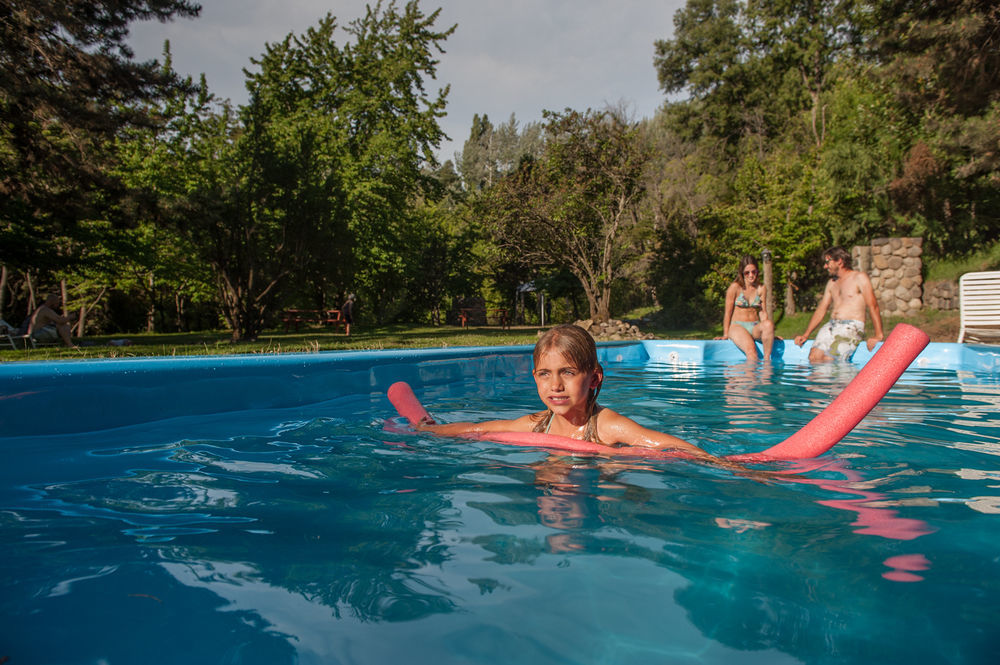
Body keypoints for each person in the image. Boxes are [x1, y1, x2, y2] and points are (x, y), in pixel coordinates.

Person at [416, 323, 722, 463]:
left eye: (568, 373)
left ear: (593, 378)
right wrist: (431, 431)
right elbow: (477, 430)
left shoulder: (605, 426)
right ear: (534, 377)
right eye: (545, 375)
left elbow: (670, 446)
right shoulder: (537, 425)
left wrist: (728, 466)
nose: (556, 386)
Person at [794, 246, 884, 362]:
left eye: (828, 262)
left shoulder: (859, 278)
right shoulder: (831, 283)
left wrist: (878, 335)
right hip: (831, 325)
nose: (825, 266)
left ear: (839, 261)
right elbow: (821, 310)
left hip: (852, 326)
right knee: (813, 357)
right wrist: (806, 334)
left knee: (830, 359)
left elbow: (873, 306)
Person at [716, 255, 775, 361]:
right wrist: (725, 334)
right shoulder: (735, 287)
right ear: (742, 273)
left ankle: (766, 369)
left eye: (754, 272)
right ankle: (750, 377)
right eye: (747, 272)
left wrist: (769, 332)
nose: (751, 275)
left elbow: (763, 312)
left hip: (754, 326)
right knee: (752, 352)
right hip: (737, 326)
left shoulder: (761, 288)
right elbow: (728, 313)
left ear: (757, 272)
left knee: (769, 324)